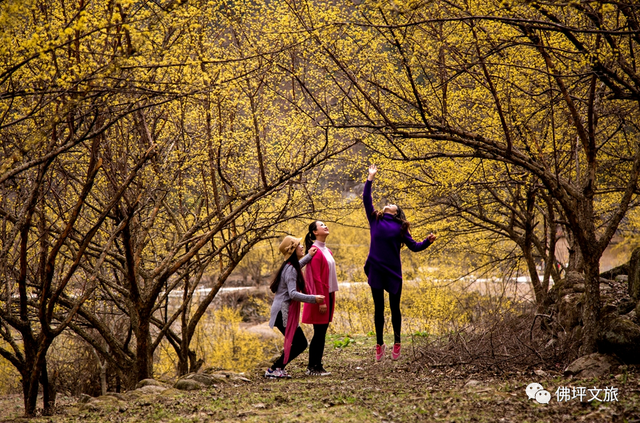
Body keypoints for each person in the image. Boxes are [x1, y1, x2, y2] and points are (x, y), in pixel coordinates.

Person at [363, 164, 436, 361]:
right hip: (377, 269)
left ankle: (397, 342)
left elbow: (414, 247)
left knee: (395, 309)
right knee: (378, 308)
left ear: (396, 213)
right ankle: (379, 344)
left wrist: (427, 242)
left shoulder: (401, 227)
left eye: (393, 204)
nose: (389, 203)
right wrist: (370, 178)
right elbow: (366, 199)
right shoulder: (375, 220)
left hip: (393, 272)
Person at [266, 235, 325, 378]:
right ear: (292, 250)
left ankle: (276, 369)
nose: (302, 247)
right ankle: (274, 369)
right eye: (299, 245)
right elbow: (292, 294)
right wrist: (314, 299)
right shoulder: (291, 269)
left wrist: (308, 256)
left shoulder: (290, 266)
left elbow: (297, 266)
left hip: (282, 311)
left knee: (299, 342)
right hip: (283, 312)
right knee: (300, 343)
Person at [302, 220, 337, 376]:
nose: (325, 226)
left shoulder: (327, 251)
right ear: (315, 232)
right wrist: (321, 301)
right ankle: (313, 367)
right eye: (321, 225)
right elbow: (315, 278)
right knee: (319, 332)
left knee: (322, 332)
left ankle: (317, 365)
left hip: (328, 294)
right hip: (320, 297)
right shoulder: (315, 251)